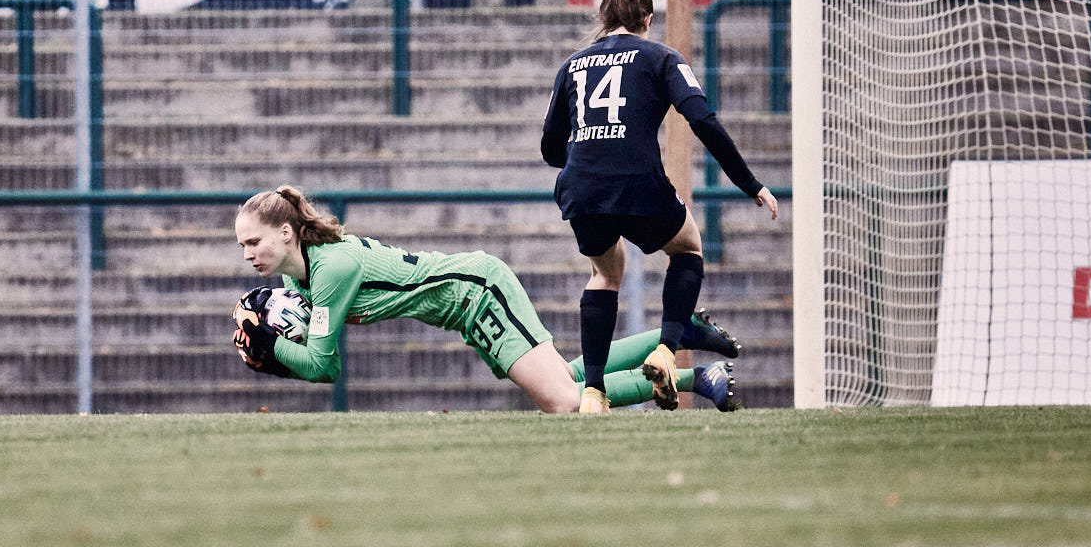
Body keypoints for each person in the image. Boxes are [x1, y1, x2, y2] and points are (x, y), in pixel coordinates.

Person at [231, 186, 745, 413]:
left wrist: (274, 350)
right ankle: (678, 338)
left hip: (479, 292)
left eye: (255, 241)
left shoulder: (330, 270)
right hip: (467, 309)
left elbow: (324, 366)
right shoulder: (301, 281)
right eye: (242, 247)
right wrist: (277, 340)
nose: (249, 253)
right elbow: (315, 345)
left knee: (566, 403)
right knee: (568, 381)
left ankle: (692, 375)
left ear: (285, 232)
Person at [542, 0, 780, 415]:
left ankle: (593, 392)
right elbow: (702, 121)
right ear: (647, 21)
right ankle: (666, 349)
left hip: (581, 187)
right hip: (637, 182)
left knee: (604, 274)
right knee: (688, 248)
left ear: (603, 17)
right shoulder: (662, 58)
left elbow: (550, 147)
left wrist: (589, 158)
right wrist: (750, 184)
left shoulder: (571, 65)